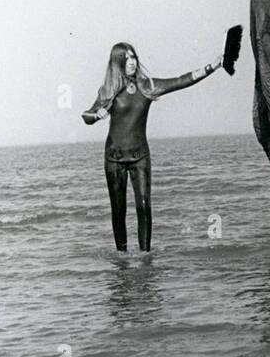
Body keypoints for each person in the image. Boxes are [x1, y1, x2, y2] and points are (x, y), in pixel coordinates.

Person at [82, 42, 224, 252]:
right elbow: (87, 116)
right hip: (114, 158)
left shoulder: (147, 86)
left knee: (144, 208)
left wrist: (212, 67)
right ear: (118, 62)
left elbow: (181, 81)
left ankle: (145, 258)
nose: (132, 62)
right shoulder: (108, 90)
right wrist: (96, 114)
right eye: (127, 58)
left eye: (134, 57)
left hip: (140, 157)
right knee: (118, 211)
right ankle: (121, 259)